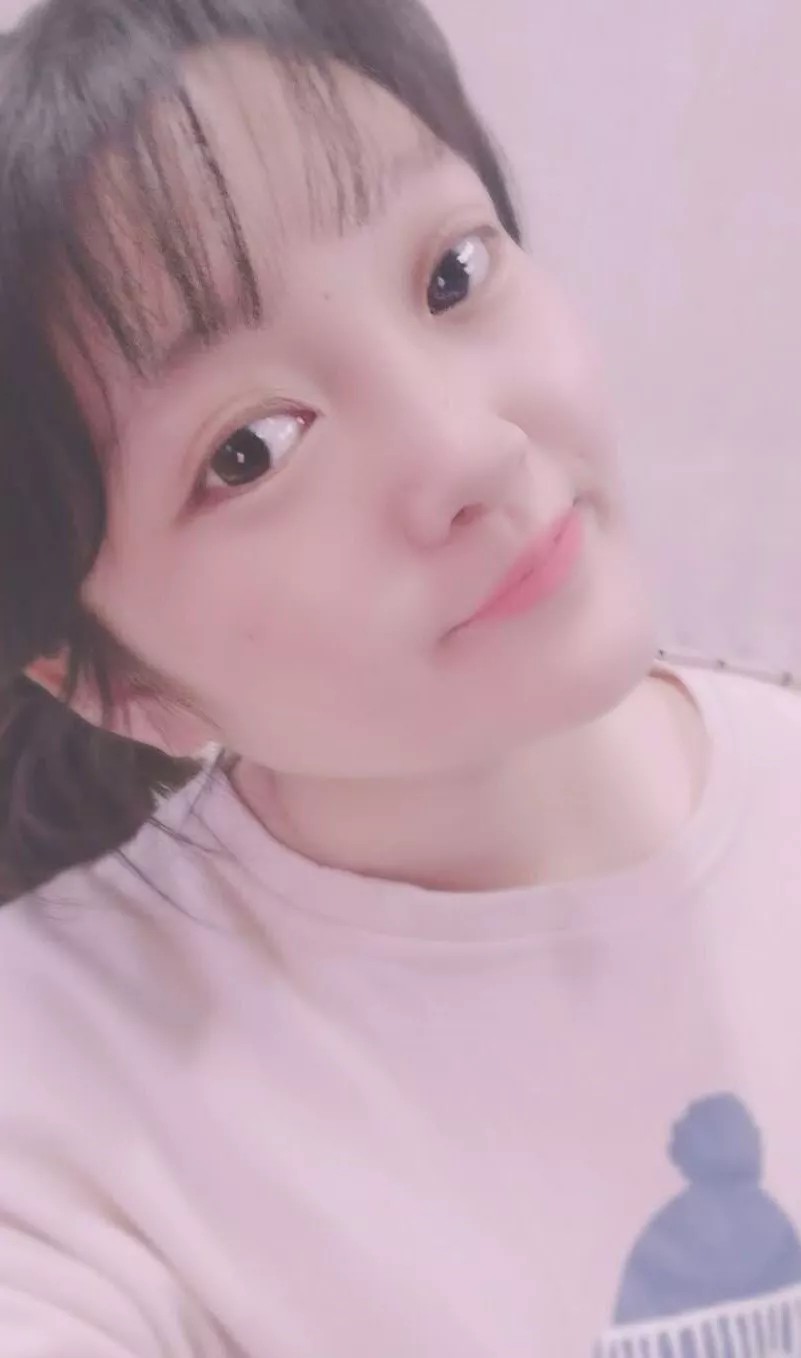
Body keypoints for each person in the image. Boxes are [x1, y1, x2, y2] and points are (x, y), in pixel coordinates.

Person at [0, 1, 799, 1355]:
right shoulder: (59, 1096)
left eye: (451, 274)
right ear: (117, 681)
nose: (469, 450)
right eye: (251, 449)